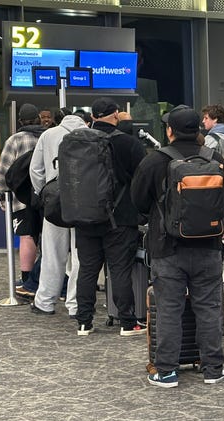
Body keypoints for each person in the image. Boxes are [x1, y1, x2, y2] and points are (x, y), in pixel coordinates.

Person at [131, 104, 224, 387]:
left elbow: (138, 201)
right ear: (199, 129)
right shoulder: (216, 159)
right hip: (209, 246)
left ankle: (166, 371)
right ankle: (214, 368)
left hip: (167, 249)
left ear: (169, 131)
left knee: (168, 309)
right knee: (209, 308)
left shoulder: (155, 161)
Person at [74, 97, 146, 336]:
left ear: (92, 116)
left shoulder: (77, 142)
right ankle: (127, 322)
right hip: (121, 217)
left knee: (87, 269)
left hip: (84, 216)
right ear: (116, 115)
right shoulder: (128, 143)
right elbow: (143, 178)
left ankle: (84, 322)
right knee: (119, 270)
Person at [29, 111, 87, 317]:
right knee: (81, 256)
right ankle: (76, 304)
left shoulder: (49, 134)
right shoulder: (92, 135)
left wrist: (43, 191)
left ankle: (45, 301)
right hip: (84, 202)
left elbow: (35, 169)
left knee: (52, 254)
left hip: (55, 201)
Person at [0, 103, 45, 285]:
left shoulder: (15, 140)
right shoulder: (48, 137)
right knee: (48, 240)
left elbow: (3, 171)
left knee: (27, 236)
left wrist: (3, 196)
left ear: (20, 121)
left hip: (21, 199)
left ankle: (27, 279)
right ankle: (48, 279)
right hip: (47, 198)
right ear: (39, 119)